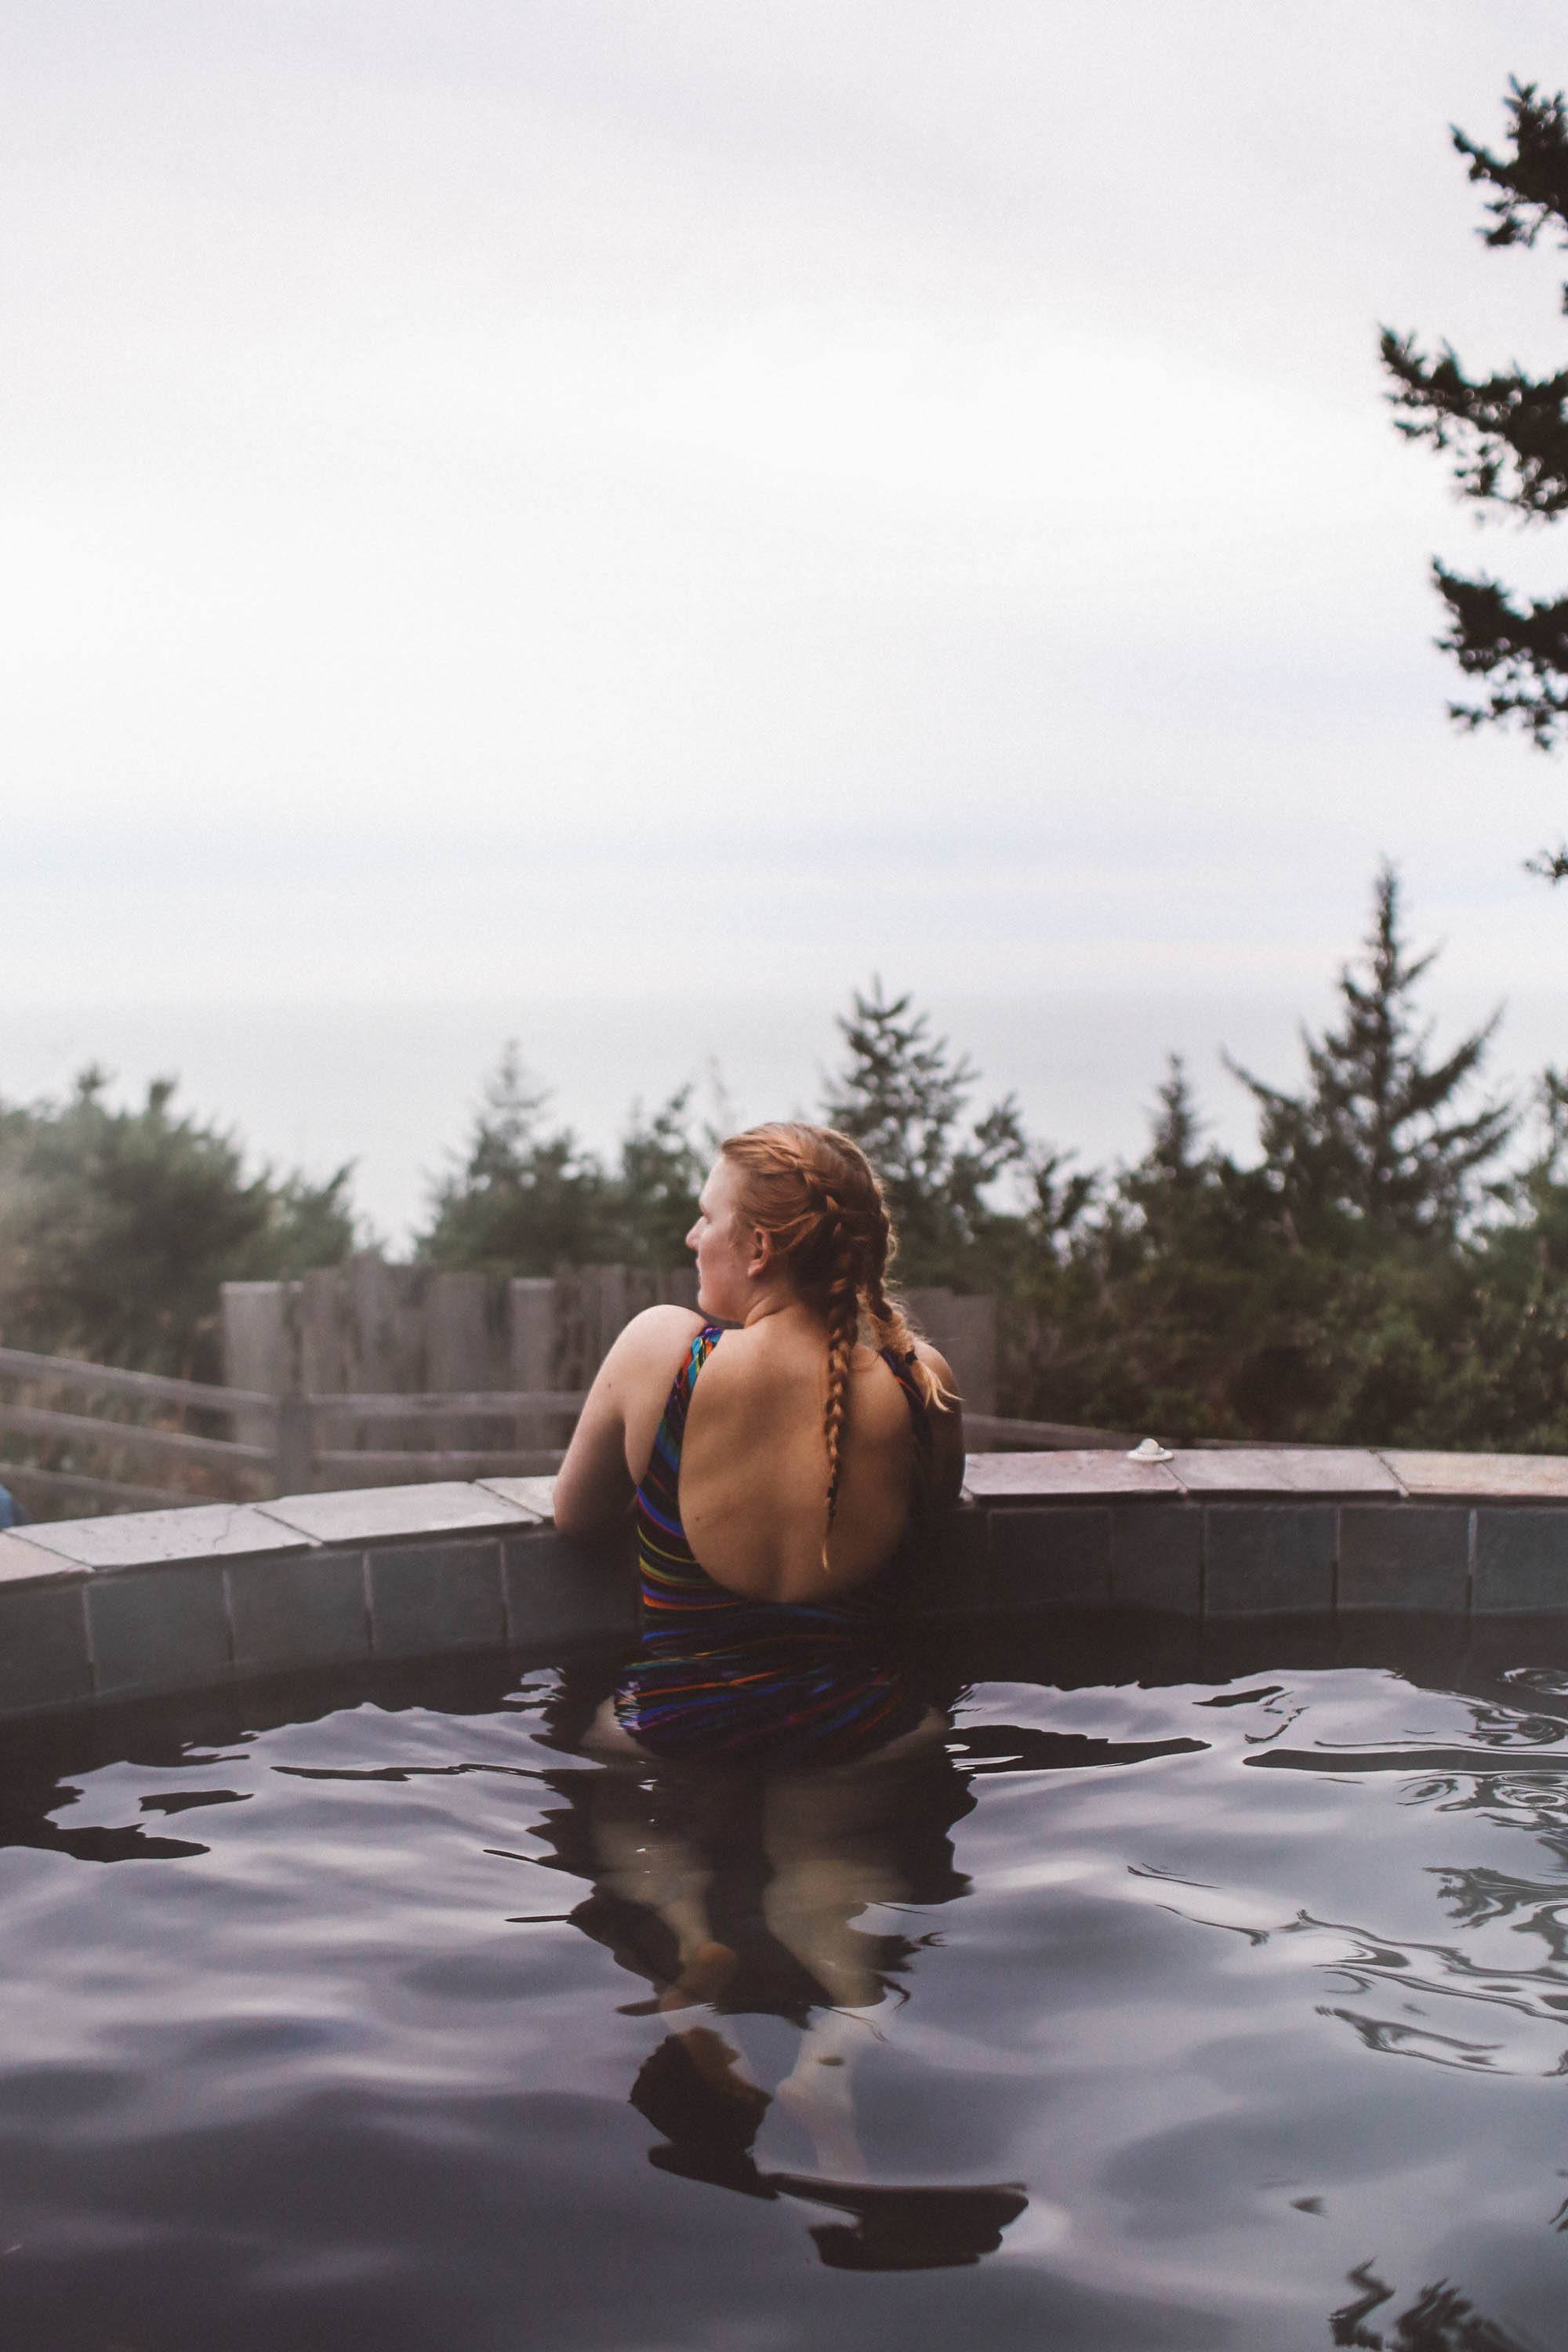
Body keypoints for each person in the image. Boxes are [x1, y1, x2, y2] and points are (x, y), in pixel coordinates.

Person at [554, 1120, 965, 1770]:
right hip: (860, 1727)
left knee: (656, 1861)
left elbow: (576, 1515)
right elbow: (934, 1528)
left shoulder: (662, 1352)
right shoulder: (919, 1384)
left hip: (671, 1724)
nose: (693, 1238)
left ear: (757, 1249)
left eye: (706, 1218)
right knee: (844, 1868)